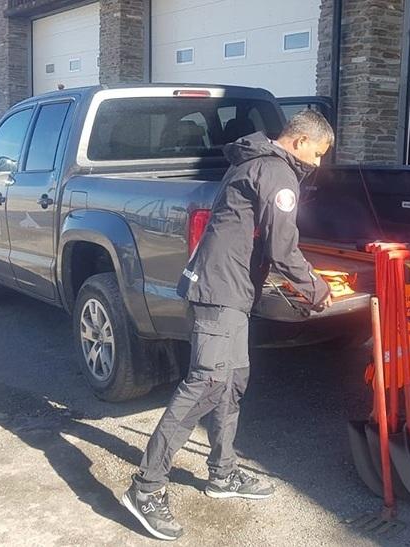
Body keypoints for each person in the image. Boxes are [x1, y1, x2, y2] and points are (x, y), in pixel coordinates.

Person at [120, 110, 334, 540]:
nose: (319, 163)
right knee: (206, 383)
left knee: (232, 380)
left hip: (229, 289)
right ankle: (146, 487)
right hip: (221, 291)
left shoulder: (256, 161)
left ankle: (223, 473)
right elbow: (282, 245)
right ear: (301, 140)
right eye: (319, 152)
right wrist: (315, 287)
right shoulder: (276, 172)